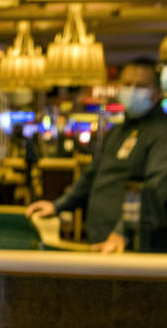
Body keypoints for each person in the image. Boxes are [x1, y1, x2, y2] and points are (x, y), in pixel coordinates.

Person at [27, 58, 167, 253]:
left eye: (141, 86)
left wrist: (122, 232)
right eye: (127, 84)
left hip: (135, 243)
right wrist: (57, 205)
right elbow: (92, 176)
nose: (133, 90)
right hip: (101, 238)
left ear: (158, 92)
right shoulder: (117, 130)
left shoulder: (162, 132)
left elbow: (155, 190)